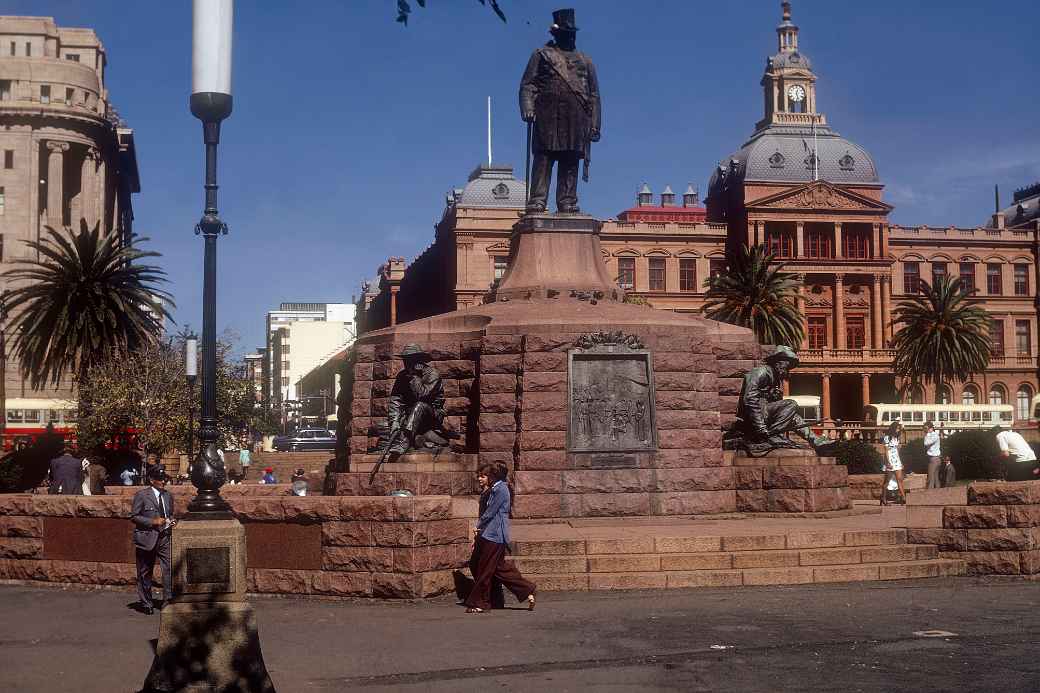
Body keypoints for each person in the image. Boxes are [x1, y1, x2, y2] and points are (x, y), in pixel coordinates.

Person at [519, 8, 601, 214]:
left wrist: (595, 124)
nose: (571, 37)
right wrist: (528, 107)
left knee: (570, 160)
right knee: (544, 158)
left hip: (576, 118)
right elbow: (528, 85)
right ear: (557, 34)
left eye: (572, 33)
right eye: (567, 33)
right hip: (548, 116)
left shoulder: (586, 61)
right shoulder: (542, 55)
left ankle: (567, 201)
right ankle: (538, 200)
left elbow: (594, 95)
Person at [464, 462, 536, 614]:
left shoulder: (501, 489)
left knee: (485, 569)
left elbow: (491, 511)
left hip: (494, 534)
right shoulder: (495, 488)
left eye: (487, 475)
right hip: (490, 533)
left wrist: (478, 526)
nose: (483, 478)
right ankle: (525, 590)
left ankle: (482, 602)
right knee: (499, 568)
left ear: (494, 475)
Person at [131, 465, 175, 615]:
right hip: (147, 538)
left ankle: (168, 600)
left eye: (164, 479)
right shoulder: (142, 495)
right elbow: (134, 516)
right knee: (145, 572)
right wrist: (153, 521)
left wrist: (171, 521)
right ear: (151, 480)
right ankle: (146, 603)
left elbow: (170, 514)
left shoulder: (168, 496)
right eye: (160, 479)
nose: (163, 481)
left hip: (164, 537)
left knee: (169, 569)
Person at [880, 421, 906, 505]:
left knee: (900, 479)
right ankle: (883, 498)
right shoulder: (887, 438)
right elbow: (886, 451)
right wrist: (888, 462)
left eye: (899, 429)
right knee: (887, 482)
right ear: (893, 429)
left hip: (896, 460)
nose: (898, 430)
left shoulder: (896, 438)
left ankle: (903, 497)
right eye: (897, 428)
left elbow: (897, 451)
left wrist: (900, 461)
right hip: (889, 461)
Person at [923, 421, 942, 489]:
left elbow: (926, 443)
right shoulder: (933, 435)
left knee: (931, 478)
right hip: (936, 459)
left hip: (934, 459)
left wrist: (927, 434)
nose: (925, 430)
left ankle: (930, 493)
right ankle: (938, 492)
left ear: (931, 428)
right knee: (935, 478)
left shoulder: (934, 436)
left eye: (926, 428)